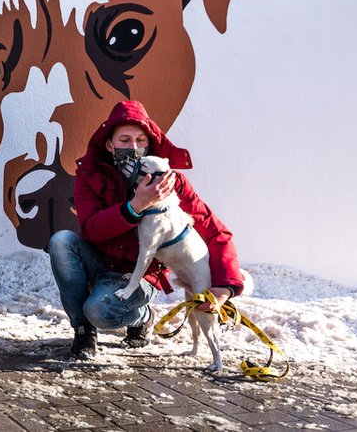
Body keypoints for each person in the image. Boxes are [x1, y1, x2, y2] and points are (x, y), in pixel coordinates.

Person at [48, 100, 243, 360]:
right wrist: (135, 206)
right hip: (100, 262)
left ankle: (143, 316)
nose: (134, 147)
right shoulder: (91, 175)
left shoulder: (172, 182)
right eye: (125, 140)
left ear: (150, 145)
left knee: (100, 311)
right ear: (109, 144)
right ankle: (83, 331)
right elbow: (91, 229)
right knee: (61, 241)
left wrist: (225, 287)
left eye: (141, 140)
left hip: (141, 273)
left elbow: (216, 232)